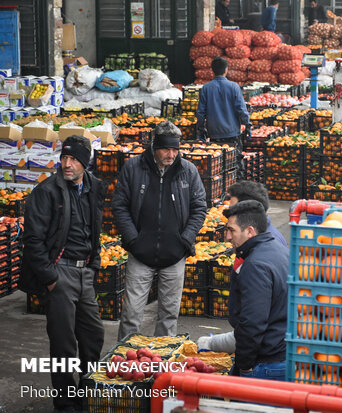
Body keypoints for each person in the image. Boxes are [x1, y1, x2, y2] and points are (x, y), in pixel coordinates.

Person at [20, 135, 105, 413]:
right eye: (64, 158)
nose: (67, 164)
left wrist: (94, 265)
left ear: (85, 162)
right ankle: (66, 405)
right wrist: (51, 277)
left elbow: (95, 228)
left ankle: (86, 393)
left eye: (74, 159)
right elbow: (32, 240)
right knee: (63, 344)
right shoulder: (47, 192)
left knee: (93, 336)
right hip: (61, 272)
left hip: (84, 273)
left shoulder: (94, 187)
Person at [113, 121, 207, 340]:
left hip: (174, 255)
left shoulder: (188, 171)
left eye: (175, 149)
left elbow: (199, 208)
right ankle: (127, 361)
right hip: (140, 254)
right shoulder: (133, 168)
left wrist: (186, 239)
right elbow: (120, 206)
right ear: (154, 146)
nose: (171, 154)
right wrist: (133, 239)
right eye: (166, 149)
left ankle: (161, 364)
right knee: (131, 314)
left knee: (169, 315)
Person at [197, 200, 288, 380]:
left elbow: (252, 324)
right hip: (283, 354)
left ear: (250, 231)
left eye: (231, 230)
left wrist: (244, 366)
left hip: (267, 362)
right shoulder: (279, 249)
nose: (227, 237)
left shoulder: (255, 265)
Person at [196, 56, 250, 175]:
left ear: (212, 70)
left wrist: (201, 129)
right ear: (226, 70)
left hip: (214, 133)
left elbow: (200, 112)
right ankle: (236, 188)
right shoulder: (234, 87)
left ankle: (221, 189)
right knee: (235, 163)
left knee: (217, 165)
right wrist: (247, 124)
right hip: (232, 133)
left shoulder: (206, 88)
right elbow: (241, 109)